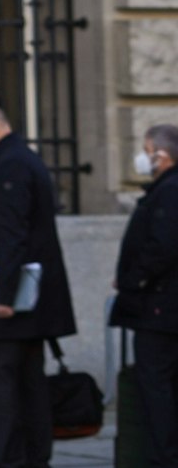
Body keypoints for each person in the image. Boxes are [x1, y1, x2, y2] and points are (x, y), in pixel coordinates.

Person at [0, 101, 76, 468]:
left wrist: (4, 296)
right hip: (28, 302)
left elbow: (14, 236)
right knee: (28, 386)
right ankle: (33, 460)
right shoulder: (21, 160)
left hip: (13, 305)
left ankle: (14, 461)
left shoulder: (10, 165)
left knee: (2, 389)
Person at [109, 123, 178, 468]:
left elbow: (162, 247)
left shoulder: (169, 191)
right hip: (163, 307)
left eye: (146, 149)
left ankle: (161, 457)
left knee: (156, 387)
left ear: (161, 156)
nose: (142, 156)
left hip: (160, 309)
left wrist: (132, 281)